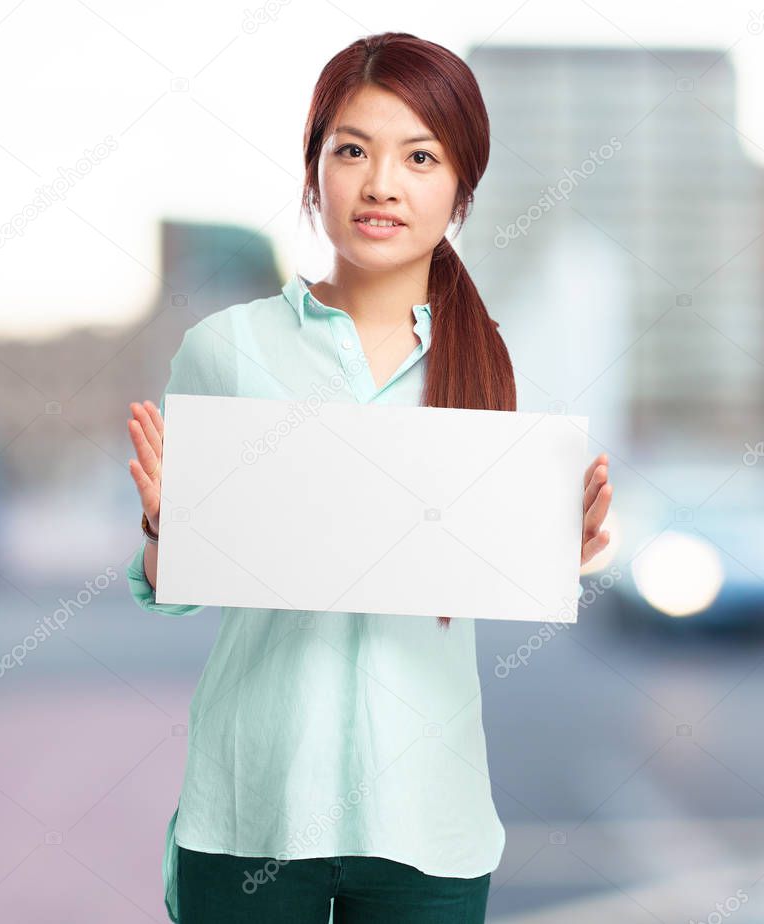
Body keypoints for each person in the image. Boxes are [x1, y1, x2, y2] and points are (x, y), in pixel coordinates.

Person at [125, 31, 613, 924]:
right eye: (352, 149)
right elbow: (173, 592)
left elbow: (492, 571)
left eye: (419, 156)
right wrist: (168, 529)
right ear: (314, 170)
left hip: (427, 817)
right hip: (253, 811)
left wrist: (557, 551)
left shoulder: (499, 373)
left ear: (460, 186)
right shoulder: (228, 350)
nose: (382, 182)